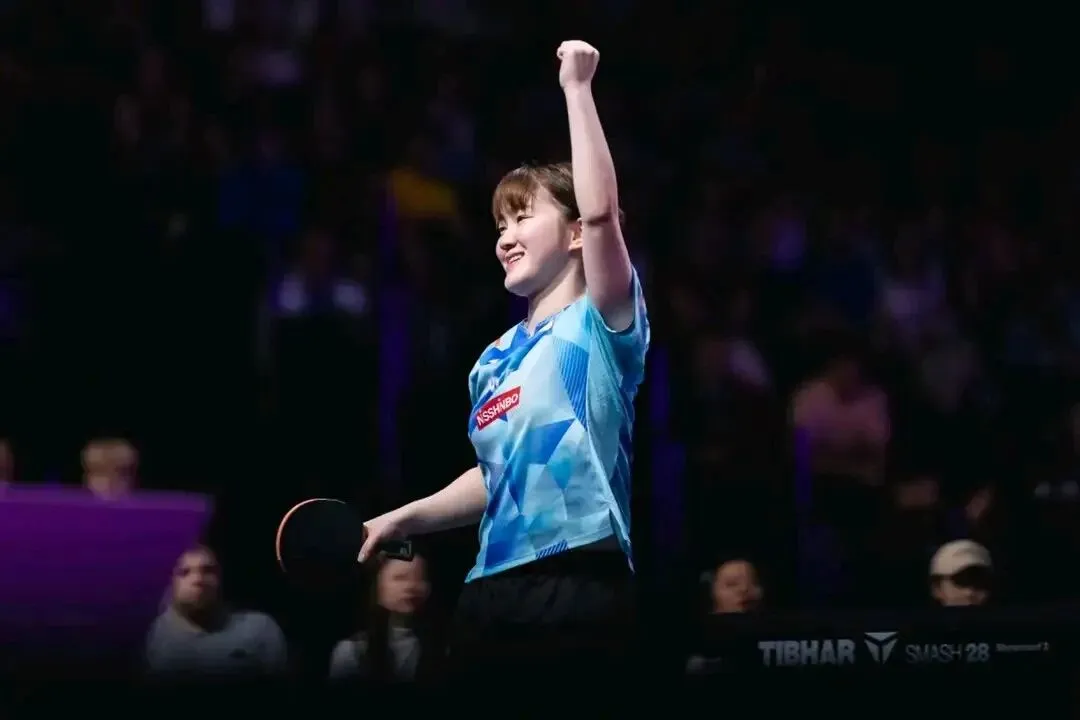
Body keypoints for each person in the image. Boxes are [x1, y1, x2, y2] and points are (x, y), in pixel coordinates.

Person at [360, 40, 649, 684]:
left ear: (573, 235)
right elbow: (497, 475)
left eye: (522, 217)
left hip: (579, 582)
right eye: (498, 226)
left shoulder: (602, 322)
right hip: (489, 590)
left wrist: (577, 88)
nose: (504, 238)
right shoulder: (492, 360)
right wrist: (404, 517)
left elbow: (602, 213)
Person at [328, 554, 439, 683]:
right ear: (378, 586)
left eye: (420, 578)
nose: (412, 586)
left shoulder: (439, 647)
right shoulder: (353, 651)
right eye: (400, 578)